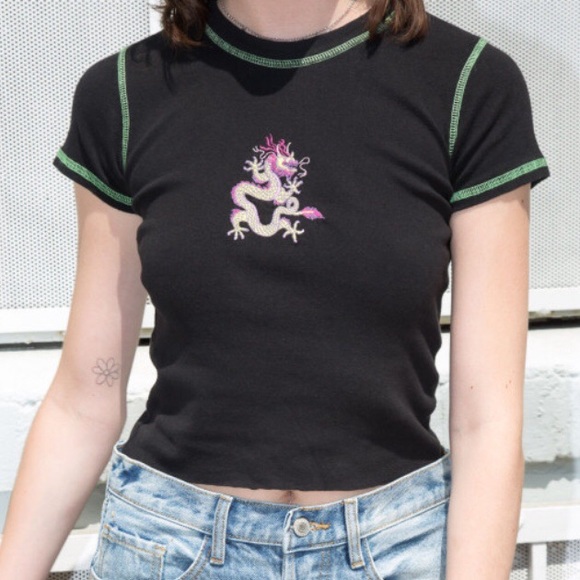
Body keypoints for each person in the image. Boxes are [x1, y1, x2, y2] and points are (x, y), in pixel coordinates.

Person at [0, 0, 550, 578]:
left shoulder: (467, 84)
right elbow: (85, 397)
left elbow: (487, 419)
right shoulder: (124, 91)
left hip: (393, 549)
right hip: (171, 544)